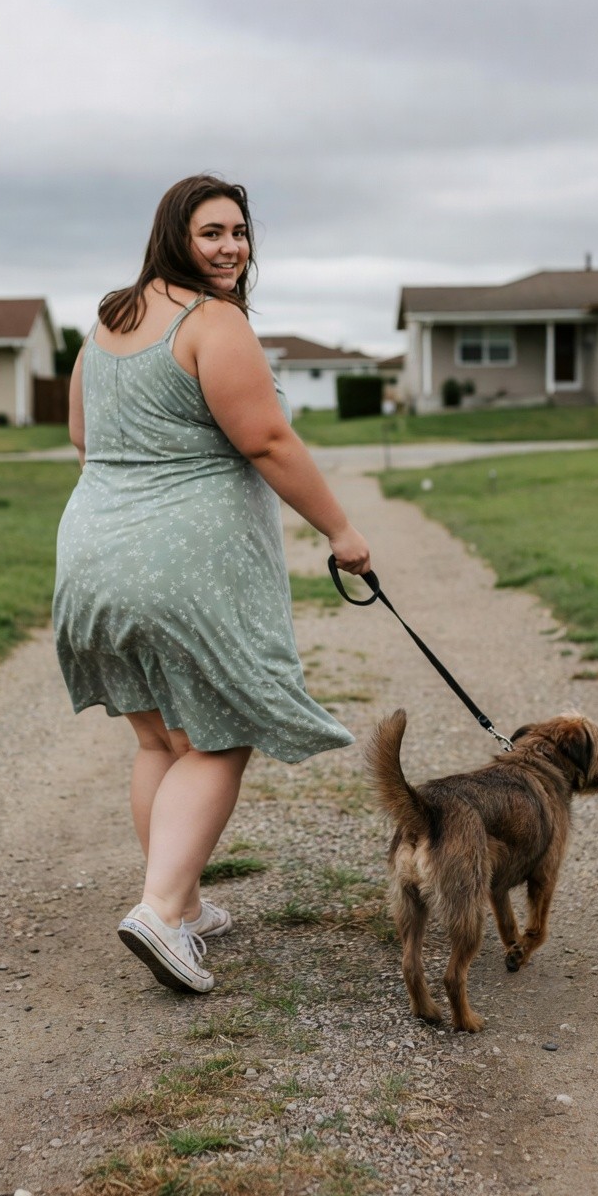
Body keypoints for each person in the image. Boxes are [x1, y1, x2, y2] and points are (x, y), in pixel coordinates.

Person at [53, 174, 371, 996]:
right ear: (175, 236)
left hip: (91, 556)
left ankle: (184, 907)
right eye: (212, 233)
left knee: (160, 741)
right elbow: (266, 440)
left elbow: (81, 436)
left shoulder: (112, 318)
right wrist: (341, 532)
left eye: (239, 231)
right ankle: (161, 909)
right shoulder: (212, 321)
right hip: (181, 566)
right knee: (219, 735)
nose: (231, 247)